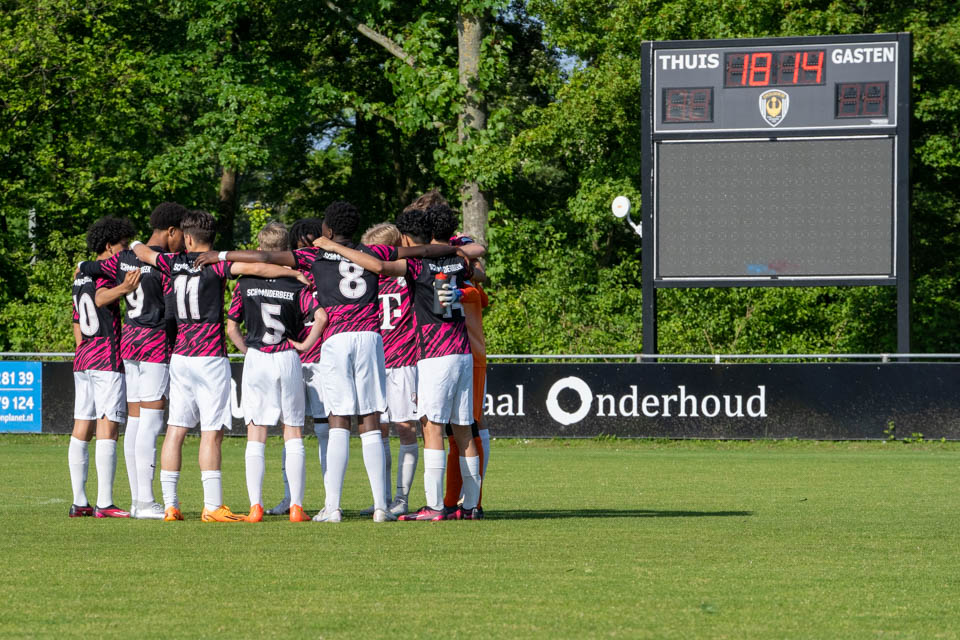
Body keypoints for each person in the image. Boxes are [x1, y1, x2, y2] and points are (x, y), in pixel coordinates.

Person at [195, 201, 459, 522]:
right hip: (370, 337)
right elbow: (421, 253)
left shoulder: (315, 255)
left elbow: (264, 257)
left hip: (336, 339)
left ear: (329, 230)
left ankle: (331, 507)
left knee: (338, 421)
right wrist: (453, 250)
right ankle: (380, 507)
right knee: (371, 422)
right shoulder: (375, 252)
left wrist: (222, 256)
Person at [314, 204, 486, 521]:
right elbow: (477, 266)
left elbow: (379, 267)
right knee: (463, 429)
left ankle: (434, 506)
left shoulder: (417, 267)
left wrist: (334, 247)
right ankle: (471, 505)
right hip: (462, 351)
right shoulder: (457, 262)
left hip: (435, 353)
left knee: (431, 428)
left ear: (406, 238)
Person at [130, 209, 304, 522]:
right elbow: (261, 266)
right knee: (211, 432)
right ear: (211, 239)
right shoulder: (219, 265)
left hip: (180, 356)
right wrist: (292, 274)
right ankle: (212, 506)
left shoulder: (172, 262)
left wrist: (133, 244)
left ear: (185, 238)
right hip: (209, 356)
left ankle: (171, 505)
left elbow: (143, 251)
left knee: (175, 430)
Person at [78, 202, 187, 519]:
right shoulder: (166, 263)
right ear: (171, 231)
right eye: (181, 233)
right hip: (154, 345)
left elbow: (91, 274)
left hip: (130, 343)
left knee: (137, 424)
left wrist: (83, 266)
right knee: (150, 426)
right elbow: (171, 312)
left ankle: (140, 500)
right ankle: (144, 501)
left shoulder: (124, 258)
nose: (183, 241)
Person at [226, 222, 326, 523]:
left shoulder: (243, 284)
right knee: (293, 430)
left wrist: (248, 351)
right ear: (287, 251)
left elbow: (231, 326)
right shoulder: (299, 284)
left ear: (259, 249)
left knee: (256, 433)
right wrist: (305, 344)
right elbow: (320, 316)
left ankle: (255, 507)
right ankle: (296, 507)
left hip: (259, 356)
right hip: (286, 355)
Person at [69, 216, 140, 518]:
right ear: (110, 247)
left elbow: (76, 321)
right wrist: (124, 287)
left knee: (81, 427)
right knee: (108, 426)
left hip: (83, 356)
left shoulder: (80, 275)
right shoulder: (106, 276)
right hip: (105, 358)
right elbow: (100, 299)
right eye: (122, 246)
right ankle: (105, 502)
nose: (124, 253)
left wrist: (83, 347)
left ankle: (79, 501)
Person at [265, 218, 330, 516]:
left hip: (314, 357)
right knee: (296, 430)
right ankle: (292, 498)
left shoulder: (309, 272)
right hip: (297, 358)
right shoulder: (290, 275)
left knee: (313, 429)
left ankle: (328, 498)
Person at [357, 222, 419, 517]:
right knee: (378, 430)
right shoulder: (374, 277)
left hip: (403, 361)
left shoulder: (406, 274)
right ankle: (382, 498)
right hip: (376, 362)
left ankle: (401, 499)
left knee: (406, 429)